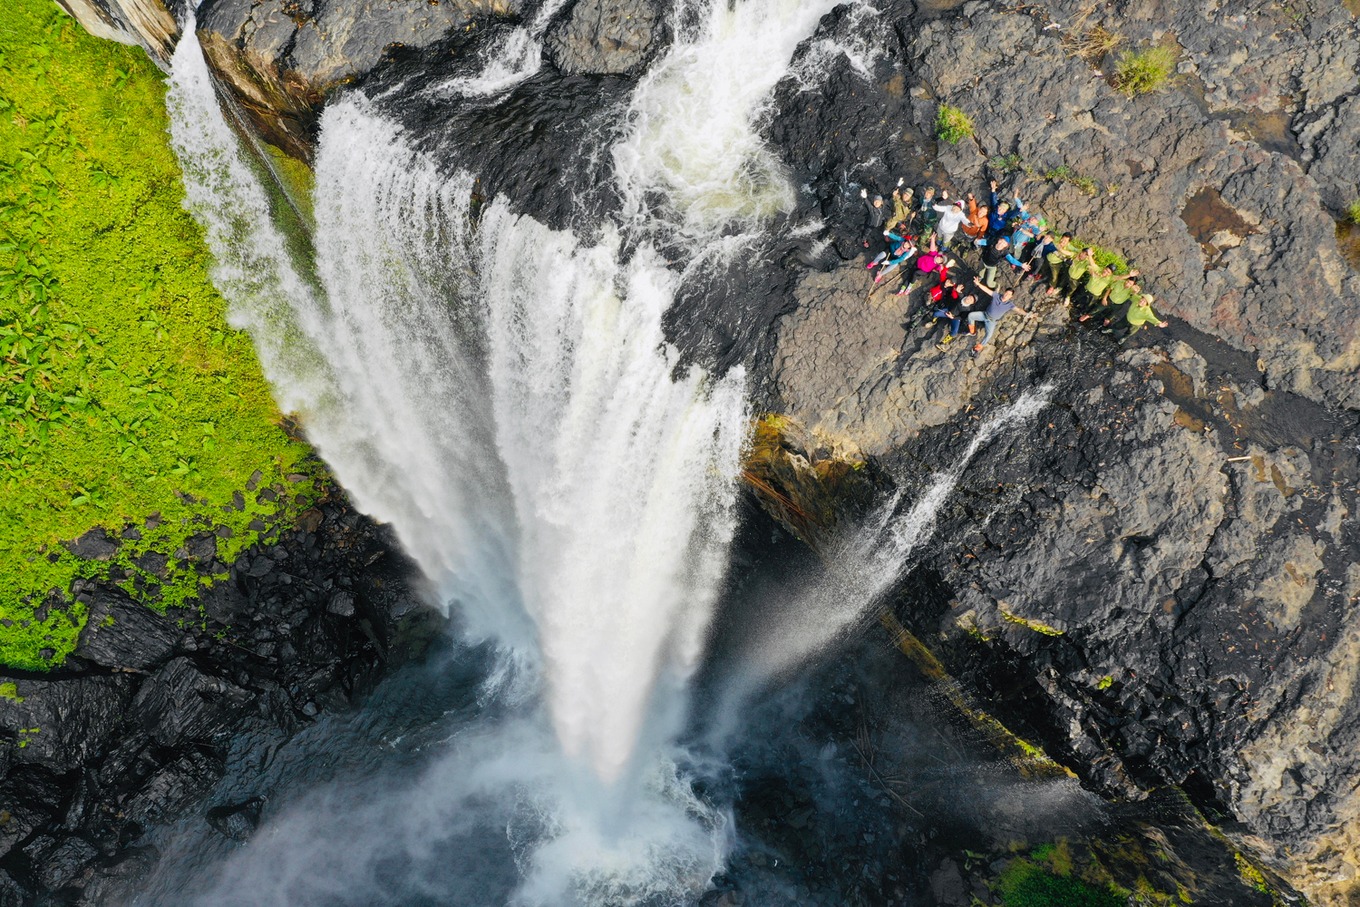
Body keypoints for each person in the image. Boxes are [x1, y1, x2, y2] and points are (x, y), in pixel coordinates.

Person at [967, 277, 1039, 351]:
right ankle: (973, 332)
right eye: (1006, 293)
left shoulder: (1010, 304)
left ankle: (978, 347)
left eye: (1009, 295)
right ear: (1004, 292)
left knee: (989, 335)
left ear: (1011, 297)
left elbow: (1019, 310)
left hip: (992, 321)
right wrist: (978, 284)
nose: (1006, 295)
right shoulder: (996, 296)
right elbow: (987, 290)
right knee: (970, 316)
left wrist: (1028, 314)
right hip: (984, 315)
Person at [859, 187, 888, 252]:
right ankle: (864, 241)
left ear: (881, 203)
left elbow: (888, 196)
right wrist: (865, 198)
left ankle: (885, 234)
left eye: (878, 201)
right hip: (870, 225)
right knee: (866, 232)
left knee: (885, 223)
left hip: (880, 223)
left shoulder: (882, 207)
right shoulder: (871, 209)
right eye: (875, 201)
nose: (876, 203)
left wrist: (897, 186)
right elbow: (867, 203)